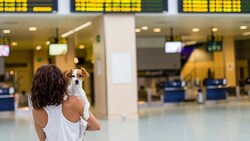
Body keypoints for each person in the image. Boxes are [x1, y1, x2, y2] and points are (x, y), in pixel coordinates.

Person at [31, 64, 100, 141]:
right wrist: (78, 127)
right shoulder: (75, 102)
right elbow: (96, 126)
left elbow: (42, 139)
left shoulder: (36, 110)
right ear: (60, 81)